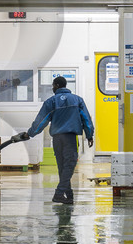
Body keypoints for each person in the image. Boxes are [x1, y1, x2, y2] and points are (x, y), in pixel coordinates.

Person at [26, 76, 95, 205]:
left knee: (63, 167)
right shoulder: (77, 100)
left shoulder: (51, 102)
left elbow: (41, 121)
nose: (52, 88)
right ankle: (59, 193)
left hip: (57, 139)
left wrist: (31, 133)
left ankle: (69, 196)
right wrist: (90, 135)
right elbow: (86, 119)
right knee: (69, 165)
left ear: (57, 85)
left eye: (53, 86)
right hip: (70, 138)